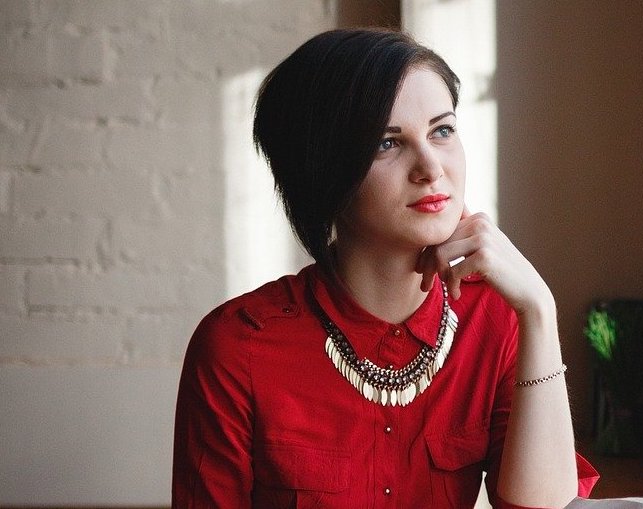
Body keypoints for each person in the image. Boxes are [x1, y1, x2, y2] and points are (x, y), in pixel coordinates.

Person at [172, 27, 598, 508]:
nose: (431, 168)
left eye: (442, 131)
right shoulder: (237, 346)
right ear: (322, 171)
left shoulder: (495, 319)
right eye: (386, 144)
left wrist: (539, 310)